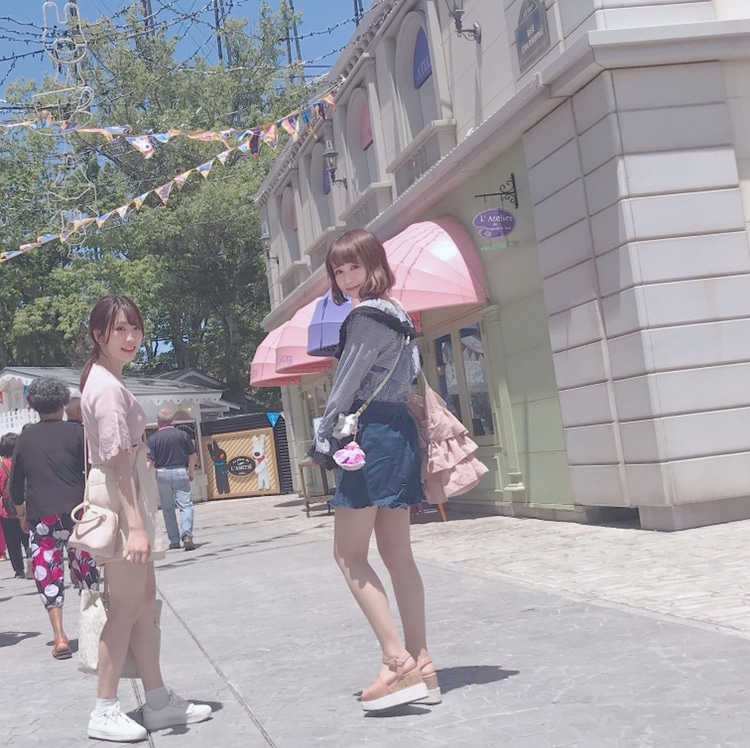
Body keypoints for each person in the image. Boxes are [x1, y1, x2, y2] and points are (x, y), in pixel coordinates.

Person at [310, 229, 439, 711]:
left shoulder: (365, 317)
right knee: (398, 554)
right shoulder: (399, 314)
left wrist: (324, 435)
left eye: (354, 267)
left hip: (369, 438)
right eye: (338, 270)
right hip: (397, 431)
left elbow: (345, 385)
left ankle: (396, 661)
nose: (346, 277)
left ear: (373, 265)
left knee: (349, 554)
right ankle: (422, 662)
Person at [80, 294, 211, 742]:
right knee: (126, 607)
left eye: (135, 327)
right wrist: (136, 526)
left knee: (142, 602)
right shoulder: (105, 386)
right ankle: (104, 708)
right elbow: (118, 461)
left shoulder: (107, 379)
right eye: (119, 329)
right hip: (123, 500)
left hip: (130, 493)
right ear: (98, 334)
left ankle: (156, 700)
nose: (130, 337)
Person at [7, 378, 99, 659]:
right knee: (85, 568)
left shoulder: (26, 438)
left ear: (33, 406)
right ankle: (93, 632)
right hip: (78, 512)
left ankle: (59, 636)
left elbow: (15, 484)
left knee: (47, 570)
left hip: (42, 516)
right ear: (63, 404)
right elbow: (93, 472)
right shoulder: (78, 434)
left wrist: (21, 512)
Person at [146, 408, 198, 551]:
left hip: (162, 472)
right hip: (180, 471)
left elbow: (149, 461)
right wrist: (191, 471)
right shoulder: (182, 435)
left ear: (158, 422)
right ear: (172, 420)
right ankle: (186, 534)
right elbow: (192, 455)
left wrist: (143, 479)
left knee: (167, 508)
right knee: (185, 505)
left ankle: (174, 540)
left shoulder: (153, 439)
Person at [0, 432, 29, 578]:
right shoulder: (23, 462)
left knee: (12, 543)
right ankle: (32, 561)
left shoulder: (1, 466)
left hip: (6, 510)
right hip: (25, 506)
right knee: (27, 537)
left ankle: (19, 570)